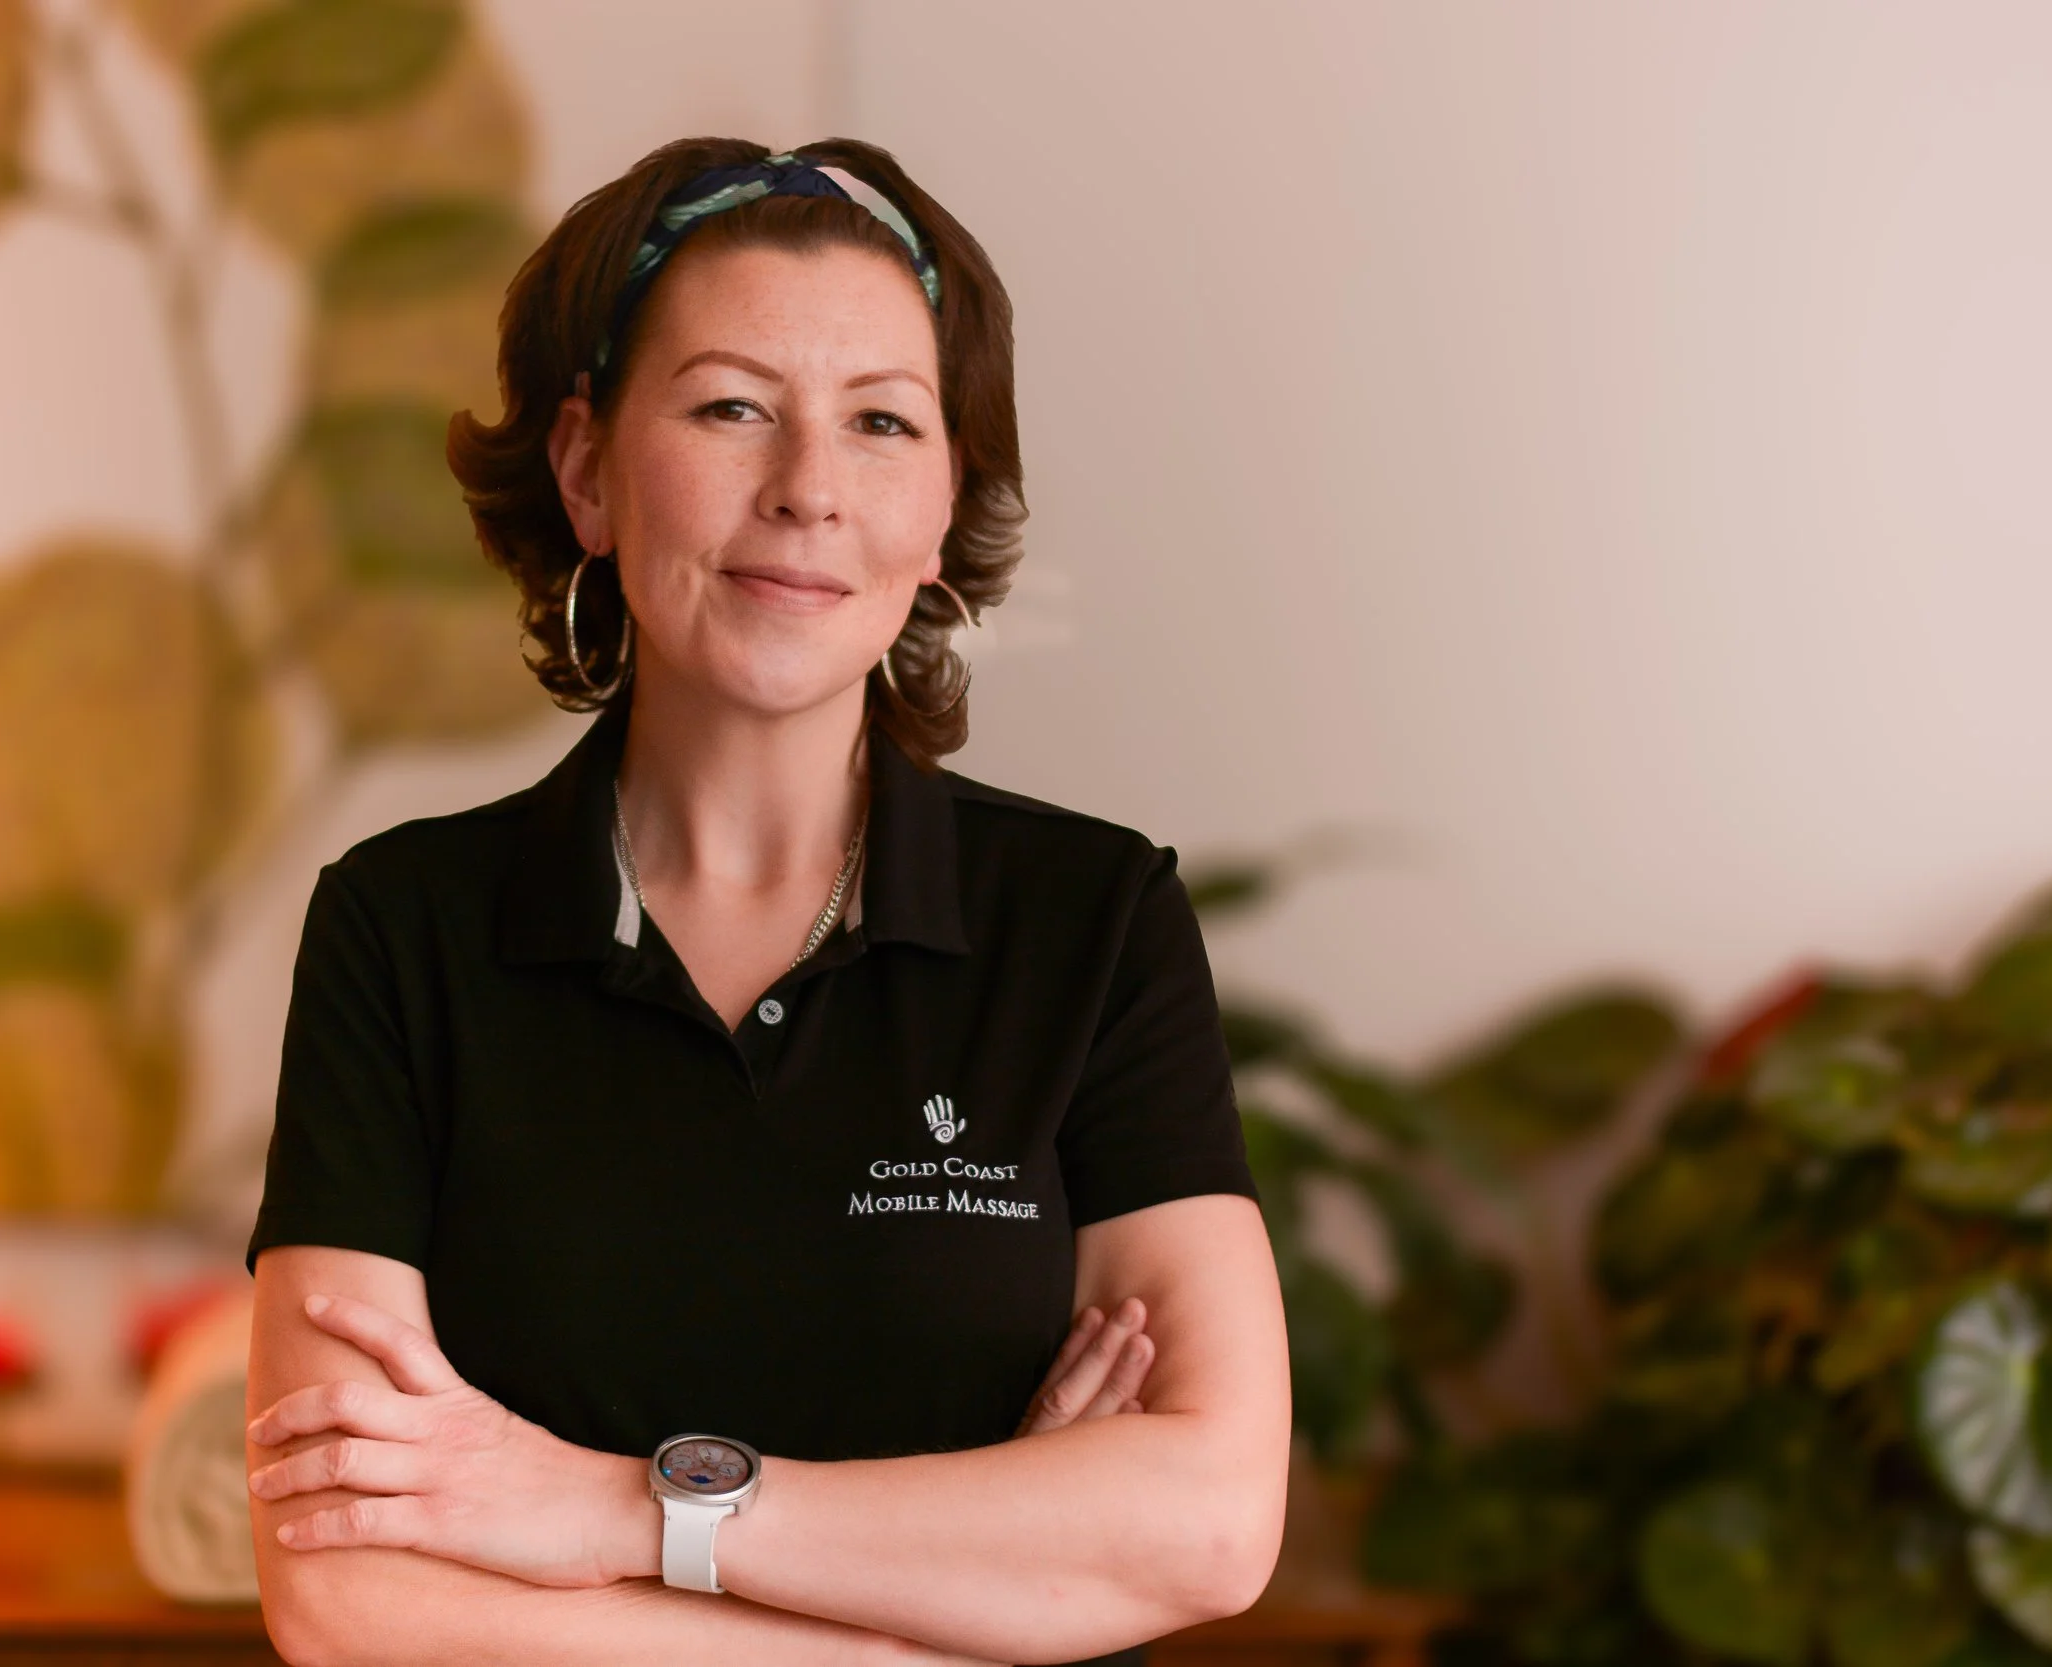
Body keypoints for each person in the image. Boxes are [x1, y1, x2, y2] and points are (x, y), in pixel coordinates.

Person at [241, 136, 1291, 1667]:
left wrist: (612, 1511)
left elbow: (1207, 1519)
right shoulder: (401, 932)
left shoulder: (1095, 919)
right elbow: (347, 1594)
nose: (808, 490)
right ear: (589, 470)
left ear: (941, 512)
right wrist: (979, 1594)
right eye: (732, 406)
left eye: (880, 421)